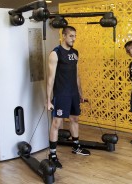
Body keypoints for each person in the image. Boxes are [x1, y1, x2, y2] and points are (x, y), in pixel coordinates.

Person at [46, 26, 90, 169]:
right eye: (71, 36)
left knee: (75, 118)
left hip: (73, 93)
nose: (73, 39)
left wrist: (80, 93)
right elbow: (50, 78)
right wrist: (48, 100)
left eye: (75, 36)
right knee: (56, 123)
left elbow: (77, 75)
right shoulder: (55, 53)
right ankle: (52, 154)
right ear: (63, 36)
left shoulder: (75, 53)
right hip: (61, 94)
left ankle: (76, 146)